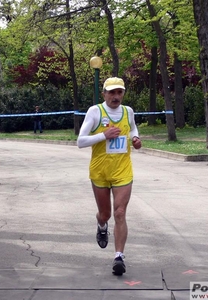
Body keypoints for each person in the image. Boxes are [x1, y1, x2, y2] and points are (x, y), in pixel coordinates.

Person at [77, 77, 142, 276]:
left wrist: (135, 138)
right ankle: (101, 224)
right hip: (100, 171)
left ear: (123, 93)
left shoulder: (128, 111)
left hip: (123, 170)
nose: (115, 97)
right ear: (104, 93)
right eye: (111, 93)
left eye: (119, 92)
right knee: (105, 214)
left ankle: (119, 257)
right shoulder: (95, 111)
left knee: (120, 212)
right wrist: (104, 136)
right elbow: (80, 141)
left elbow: (132, 128)